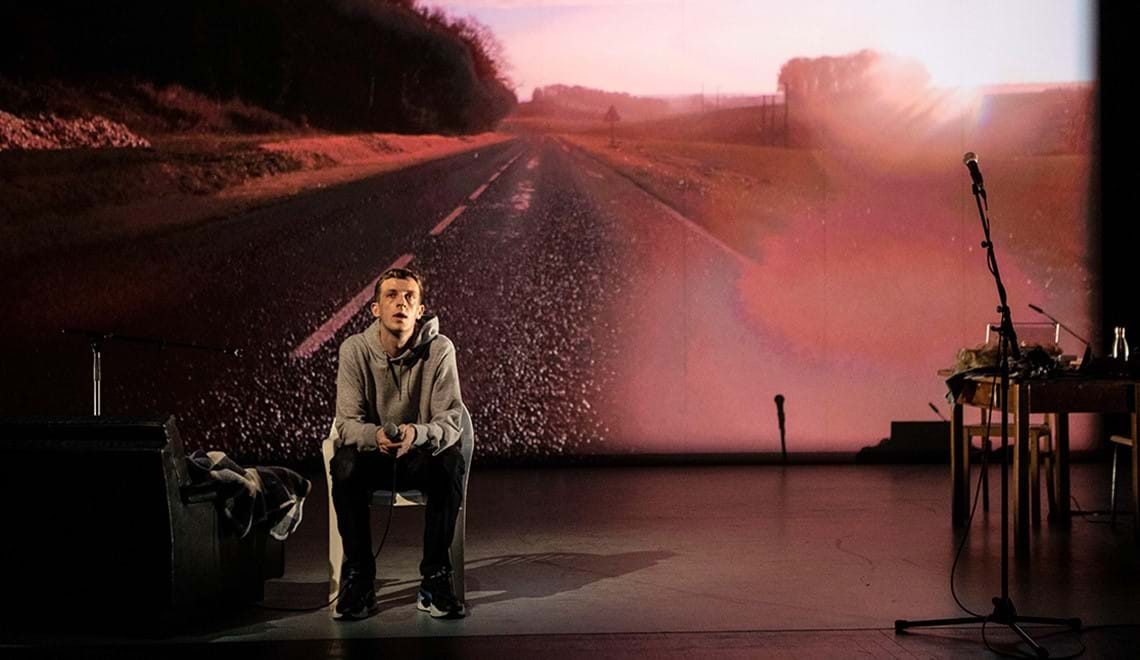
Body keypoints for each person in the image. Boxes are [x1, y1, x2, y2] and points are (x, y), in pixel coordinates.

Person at [329, 267, 468, 620]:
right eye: (391, 295)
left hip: (416, 456)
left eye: (409, 297)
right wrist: (374, 437)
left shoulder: (440, 350)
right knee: (344, 463)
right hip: (374, 457)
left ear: (420, 311)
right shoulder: (355, 350)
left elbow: (450, 421)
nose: (400, 303)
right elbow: (346, 423)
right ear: (375, 308)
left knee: (450, 462)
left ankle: (435, 578)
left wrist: (416, 435)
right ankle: (360, 578)